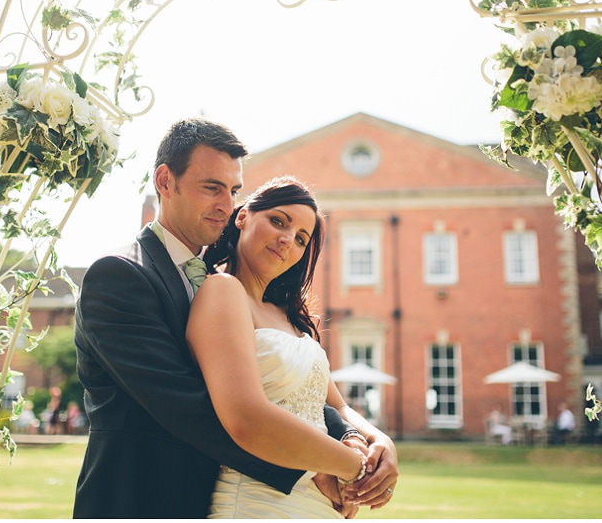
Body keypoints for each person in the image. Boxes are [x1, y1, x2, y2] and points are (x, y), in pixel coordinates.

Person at [73, 118, 398, 518]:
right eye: (212, 187)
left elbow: (297, 395)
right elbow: (191, 406)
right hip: (140, 498)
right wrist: (324, 467)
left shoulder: (218, 284)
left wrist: (356, 433)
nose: (227, 205)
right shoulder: (120, 275)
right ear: (164, 181)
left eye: (233, 191)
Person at [187, 176, 398, 517]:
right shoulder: (223, 291)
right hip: (258, 501)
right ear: (242, 217)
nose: (287, 240)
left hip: (317, 506)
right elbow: (246, 418)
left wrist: (379, 442)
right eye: (278, 221)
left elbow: (340, 409)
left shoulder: (289, 317)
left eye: (301, 239)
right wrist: (353, 467)